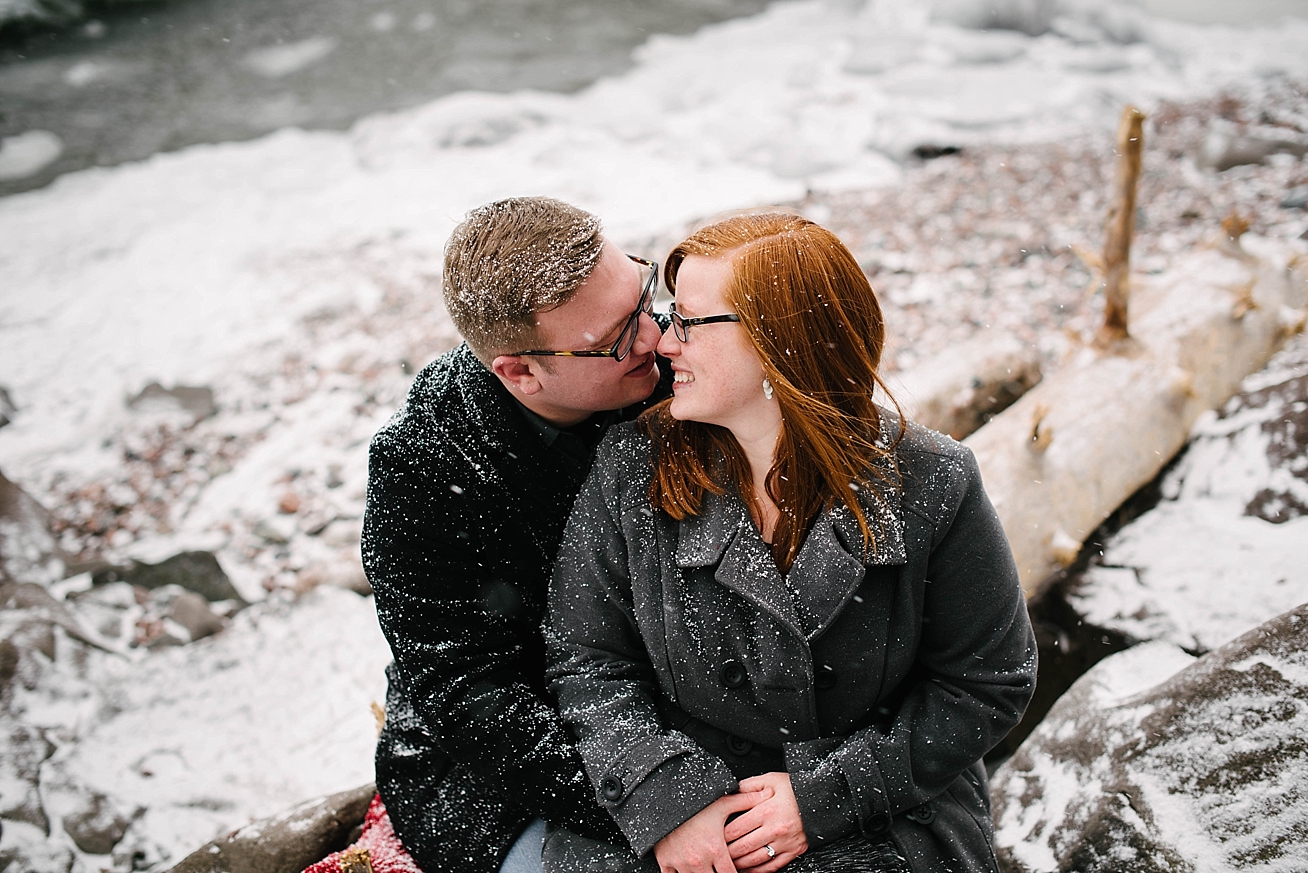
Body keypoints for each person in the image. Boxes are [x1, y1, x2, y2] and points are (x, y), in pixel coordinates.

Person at [545, 213, 1037, 873]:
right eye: (670, 315)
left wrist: (826, 795)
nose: (663, 343)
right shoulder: (634, 466)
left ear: (779, 340)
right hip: (700, 822)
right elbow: (588, 662)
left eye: (688, 321)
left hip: (888, 811)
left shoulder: (932, 480)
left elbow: (988, 682)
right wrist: (667, 796)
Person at [362, 196, 672, 873]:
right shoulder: (423, 469)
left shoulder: (676, 367)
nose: (654, 335)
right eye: (616, 336)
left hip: (691, 707)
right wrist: (660, 796)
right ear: (521, 372)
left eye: (645, 293)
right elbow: (471, 697)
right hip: (514, 775)